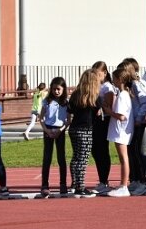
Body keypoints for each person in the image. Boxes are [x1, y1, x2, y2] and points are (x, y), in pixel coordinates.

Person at [120, 58, 146, 196]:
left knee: (140, 152)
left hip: (140, 123)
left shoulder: (137, 84)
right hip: (134, 123)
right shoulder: (131, 85)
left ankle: (145, 182)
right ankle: (137, 179)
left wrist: (139, 118)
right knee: (133, 152)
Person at [67, 69, 99, 198]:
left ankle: (75, 184)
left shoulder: (75, 95)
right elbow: (97, 112)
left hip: (74, 129)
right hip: (85, 131)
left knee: (76, 157)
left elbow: (70, 109)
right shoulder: (94, 97)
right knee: (83, 159)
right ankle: (80, 187)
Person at [39, 77, 70, 198]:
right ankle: (45, 185)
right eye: (54, 89)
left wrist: (60, 130)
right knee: (47, 158)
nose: (56, 91)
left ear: (63, 89)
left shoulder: (66, 103)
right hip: (48, 129)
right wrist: (47, 130)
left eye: (58, 89)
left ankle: (63, 184)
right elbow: (41, 118)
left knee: (61, 158)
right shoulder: (47, 101)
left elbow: (68, 120)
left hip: (60, 130)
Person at [107, 66, 134, 197]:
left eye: (114, 79)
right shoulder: (123, 94)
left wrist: (108, 111)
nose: (113, 81)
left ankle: (124, 186)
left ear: (120, 80)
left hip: (121, 131)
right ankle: (123, 185)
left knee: (124, 158)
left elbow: (121, 116)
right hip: (121, 130)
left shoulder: (123, 95)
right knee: (123, 158)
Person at [90, 61, 114, 194]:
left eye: (97, 74)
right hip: (95, 121)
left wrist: (101, 106)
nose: (95, 76)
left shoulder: (107, 87)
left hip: (103, 121)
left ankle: (104, 180)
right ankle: (102, 180)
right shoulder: (95, 86)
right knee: (95, 150)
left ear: (104, 73)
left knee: (102, 150)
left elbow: (109, 106)